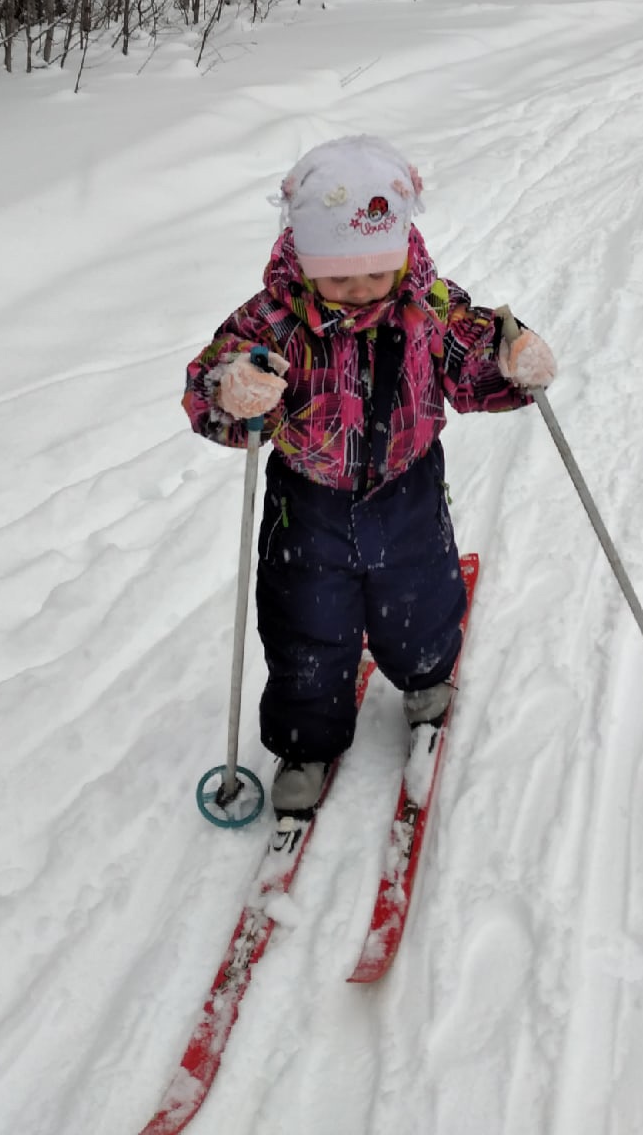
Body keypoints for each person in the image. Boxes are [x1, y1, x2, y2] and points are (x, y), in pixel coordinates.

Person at [182, 134, 556, 820]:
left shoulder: (430, 307)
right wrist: (231, 389)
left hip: (406, 488)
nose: (358, 293)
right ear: (305, 259)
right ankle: (305, 739)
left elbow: (473, 367)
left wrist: (512, 358)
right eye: (339, 278)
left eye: (374, 276)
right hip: (309, 502)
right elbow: (210, 388)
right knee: (304, 625)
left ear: (400, 252)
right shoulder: (271, 319)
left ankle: (424, 677)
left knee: (419, 594)